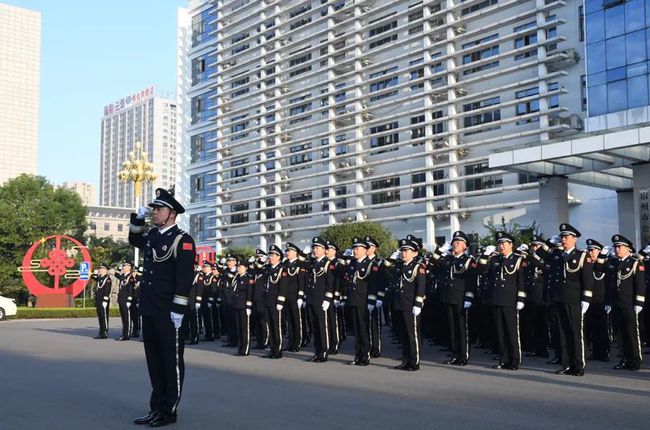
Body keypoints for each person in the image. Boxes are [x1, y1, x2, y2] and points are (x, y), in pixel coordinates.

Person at [129, 187, 196, 427]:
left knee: (171, 361)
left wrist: (178, 310)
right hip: (150, 308)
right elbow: (134, 238)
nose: (154, 213)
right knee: (154, 362)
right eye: (154, 209)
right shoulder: (154, 237)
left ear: (172, 213)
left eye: (159, 209)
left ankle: (169, 409)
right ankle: (156, 407)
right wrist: (138, 218)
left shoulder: (182, 240)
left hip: (169, 312)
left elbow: (184, 278)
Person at [537, 224, 593, 376]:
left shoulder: (582, 256)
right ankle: (567, 364)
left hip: (575, 300)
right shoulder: (558, 255)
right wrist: (549, 242)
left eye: (566, 237)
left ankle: (578, 365)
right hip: (559, 298)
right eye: (561, 236)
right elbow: (540, 253)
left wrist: (586, 298)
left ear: (574, 239)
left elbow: (587, 279)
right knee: (563, 333)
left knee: (576, 333)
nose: (563, 239)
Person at [479, 232, 526, 371]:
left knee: (512, 332)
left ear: (511, 245)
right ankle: (503, 359)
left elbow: (521, 281)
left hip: (510, 300)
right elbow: (482, 270)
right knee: (500, 332)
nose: (500, 246)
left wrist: (521, 298)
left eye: (503, 243)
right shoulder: (495, 259)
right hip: (496, 299)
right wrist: (485, 255)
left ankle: (514, 360)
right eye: (499, 243)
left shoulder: (518, 259)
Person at [430, 231, 477, 366]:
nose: (455, 244)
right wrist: (439, 251)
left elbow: (471, 281)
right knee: (452, 329)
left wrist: (469, 297)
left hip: (461, 299)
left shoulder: (469, 260)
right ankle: (455, 354)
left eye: (458, 242)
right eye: (454, 242)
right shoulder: (448, 259)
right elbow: (431, 265)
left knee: (462, 328)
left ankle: (463, 356)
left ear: (465, 247)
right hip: (448, 298)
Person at [607, 234, 645, 371]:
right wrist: (609, 302)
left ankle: (635, 360)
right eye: (615, 247)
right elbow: (610, 285)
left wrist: (639, 302)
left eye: (619, 247)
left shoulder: (635, 263)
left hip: (629, 303)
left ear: (628, 248)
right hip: (617, 303)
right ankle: (624, 358)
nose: (616, 249)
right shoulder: (613, 263)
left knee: (632, 332)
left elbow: (640, 285)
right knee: (620, 333)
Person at [391, 237, 427, 371]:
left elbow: (421, 286)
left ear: (415, 253)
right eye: (402, 251)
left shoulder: (418, 266)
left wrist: (418, 303)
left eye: (407, 251)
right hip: (399, 303)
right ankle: (405, 360)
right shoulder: (399, 266)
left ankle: (414, 361)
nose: (403, 253)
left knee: (412, 334)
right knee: (403, 334)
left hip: (411, 305)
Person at [305, 236, 335, 362]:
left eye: (317, 248)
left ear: (324, 249)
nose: (314, 250)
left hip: (322, 300)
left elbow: (330, 283)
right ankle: (317, 351)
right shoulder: (313, 263)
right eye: (313, 248)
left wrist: (328, 299)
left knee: (323, 327)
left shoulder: (328, 263)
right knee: (315, 327)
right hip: (312, 299)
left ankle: (324, 351)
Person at [263, 245, 286, 359]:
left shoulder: (282, 269)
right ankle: (272, 348)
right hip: (267, 301)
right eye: (270, 255)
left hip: (276, 302)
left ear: (279, 257)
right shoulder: (268, 268)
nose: (270, 257)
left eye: (272, 255)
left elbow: (283, 286)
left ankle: (278, 350)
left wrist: (280, 302)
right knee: (270, 326)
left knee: (277, 326)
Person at [231, 260, 255, 356]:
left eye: (241, 267)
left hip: (244, 306)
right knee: (238, 328)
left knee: (245, 328)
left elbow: (249, 293)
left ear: (246, 268)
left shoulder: (248, 278)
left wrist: (248, 306)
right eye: (238, 267)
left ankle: (245, 349)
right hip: (237, 305)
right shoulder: (236, 278)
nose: (238, 268)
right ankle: (240, 347)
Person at [115, 262, 136, 341]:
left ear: (129, 267)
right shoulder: (122, 276)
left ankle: (127, 334)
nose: (123, 267)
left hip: (126, 299)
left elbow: (130, 288)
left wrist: (129, 299)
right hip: (121, 299)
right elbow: (116, 274)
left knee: (127, 317)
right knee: (123, 317)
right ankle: (124, 333)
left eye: (125, 266)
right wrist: (118, 269)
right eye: (123, 266)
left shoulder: (130, 277)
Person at [91, 263, 112, 339]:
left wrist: (105, 300)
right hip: (98, 299)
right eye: (99, 268)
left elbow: (107, 290)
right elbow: (93, 278)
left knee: (104, 316)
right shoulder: (100, 277)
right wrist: (94, 274)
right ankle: (101, 331)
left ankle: (105, 332)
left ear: (105, 270)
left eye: (101, 268)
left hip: (104, 300)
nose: (100, 270)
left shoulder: (107, 278)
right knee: (100, 316)